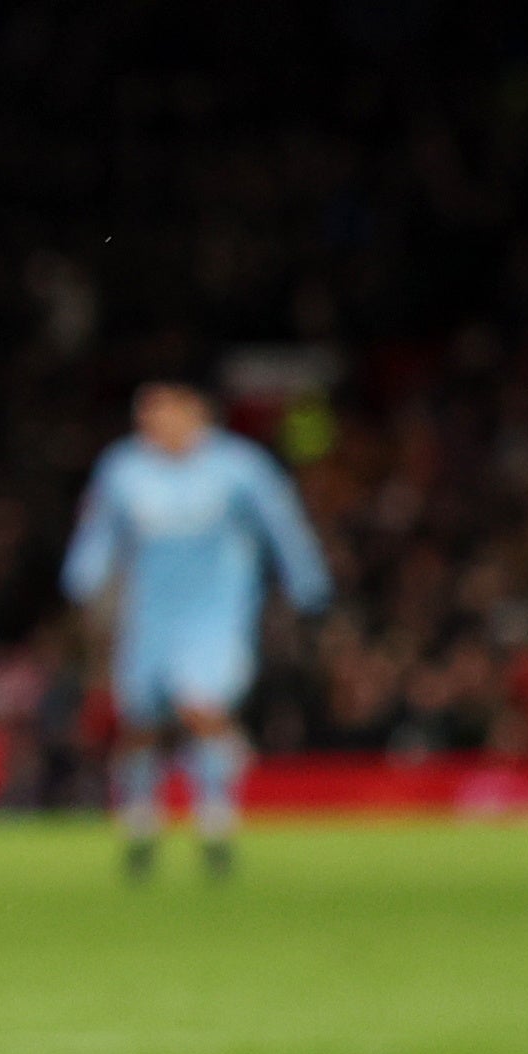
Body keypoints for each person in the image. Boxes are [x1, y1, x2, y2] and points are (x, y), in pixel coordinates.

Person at [61, 378, 332, 882]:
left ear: (195, 415)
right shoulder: (125, 469)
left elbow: (282, 524)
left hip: (217, 617)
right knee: (140, 723)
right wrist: (82, 576)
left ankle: (215, 823)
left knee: (200, 704)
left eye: (161, 415)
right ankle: (141, 825)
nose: (151, 427)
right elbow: (99, 530)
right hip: (148, 618)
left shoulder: (238, 468)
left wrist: (308, 583)